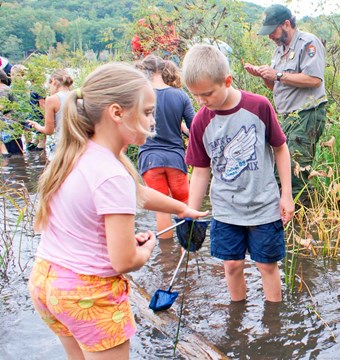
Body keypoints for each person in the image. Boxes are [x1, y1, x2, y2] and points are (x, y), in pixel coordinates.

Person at [27, 63, 207, 359]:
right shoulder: (112, 174)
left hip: (48, 282)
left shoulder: (76, 153)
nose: (153, 122)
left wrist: (182, 209)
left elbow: (137, 193)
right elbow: (124, 260)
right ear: (116, 112)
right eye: (148, 112)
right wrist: (146, 249)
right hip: (89, 293)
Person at [183, 44, 295, 302]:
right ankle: (237, 318)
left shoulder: (258, 107)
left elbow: (280, 149)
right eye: (195, 95)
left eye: (207, 94)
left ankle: (273, 323)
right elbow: (200, 171)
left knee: (267, 265)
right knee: (231, 265)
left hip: (263, 206)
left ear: (227, 81)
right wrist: (191, 212)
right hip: (225, 209)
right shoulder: (201, 121)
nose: (201, 101)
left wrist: (285, 194)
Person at [244, 4, 327, 204]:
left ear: (286, 24)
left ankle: (304, 222)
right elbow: (278, 88)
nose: (270, 36)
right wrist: (264, 76)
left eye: (272, 31)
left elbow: (314, 79)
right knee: (281, 170)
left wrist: (278, 75)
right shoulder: (279, 51)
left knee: (296, 172)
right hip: (288, 116)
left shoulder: (308, 43)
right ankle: (296, 216)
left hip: (307, 113)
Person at [135, 55, 195, 239]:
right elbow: (195, 127)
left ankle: (166, 257)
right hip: (175, 159)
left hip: (150, 159)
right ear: (163, 70)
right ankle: (189, 250)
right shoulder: (180, 95)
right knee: (185, 205)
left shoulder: (140, 95)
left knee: (162, 210)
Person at [27, 69, 73, 161]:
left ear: (53, 81)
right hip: (78, 145)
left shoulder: (52, 99)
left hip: (62, 145)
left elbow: (49, 131)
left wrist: (37, 126)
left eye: (49, 85)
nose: (49, 89)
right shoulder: (77, 96)